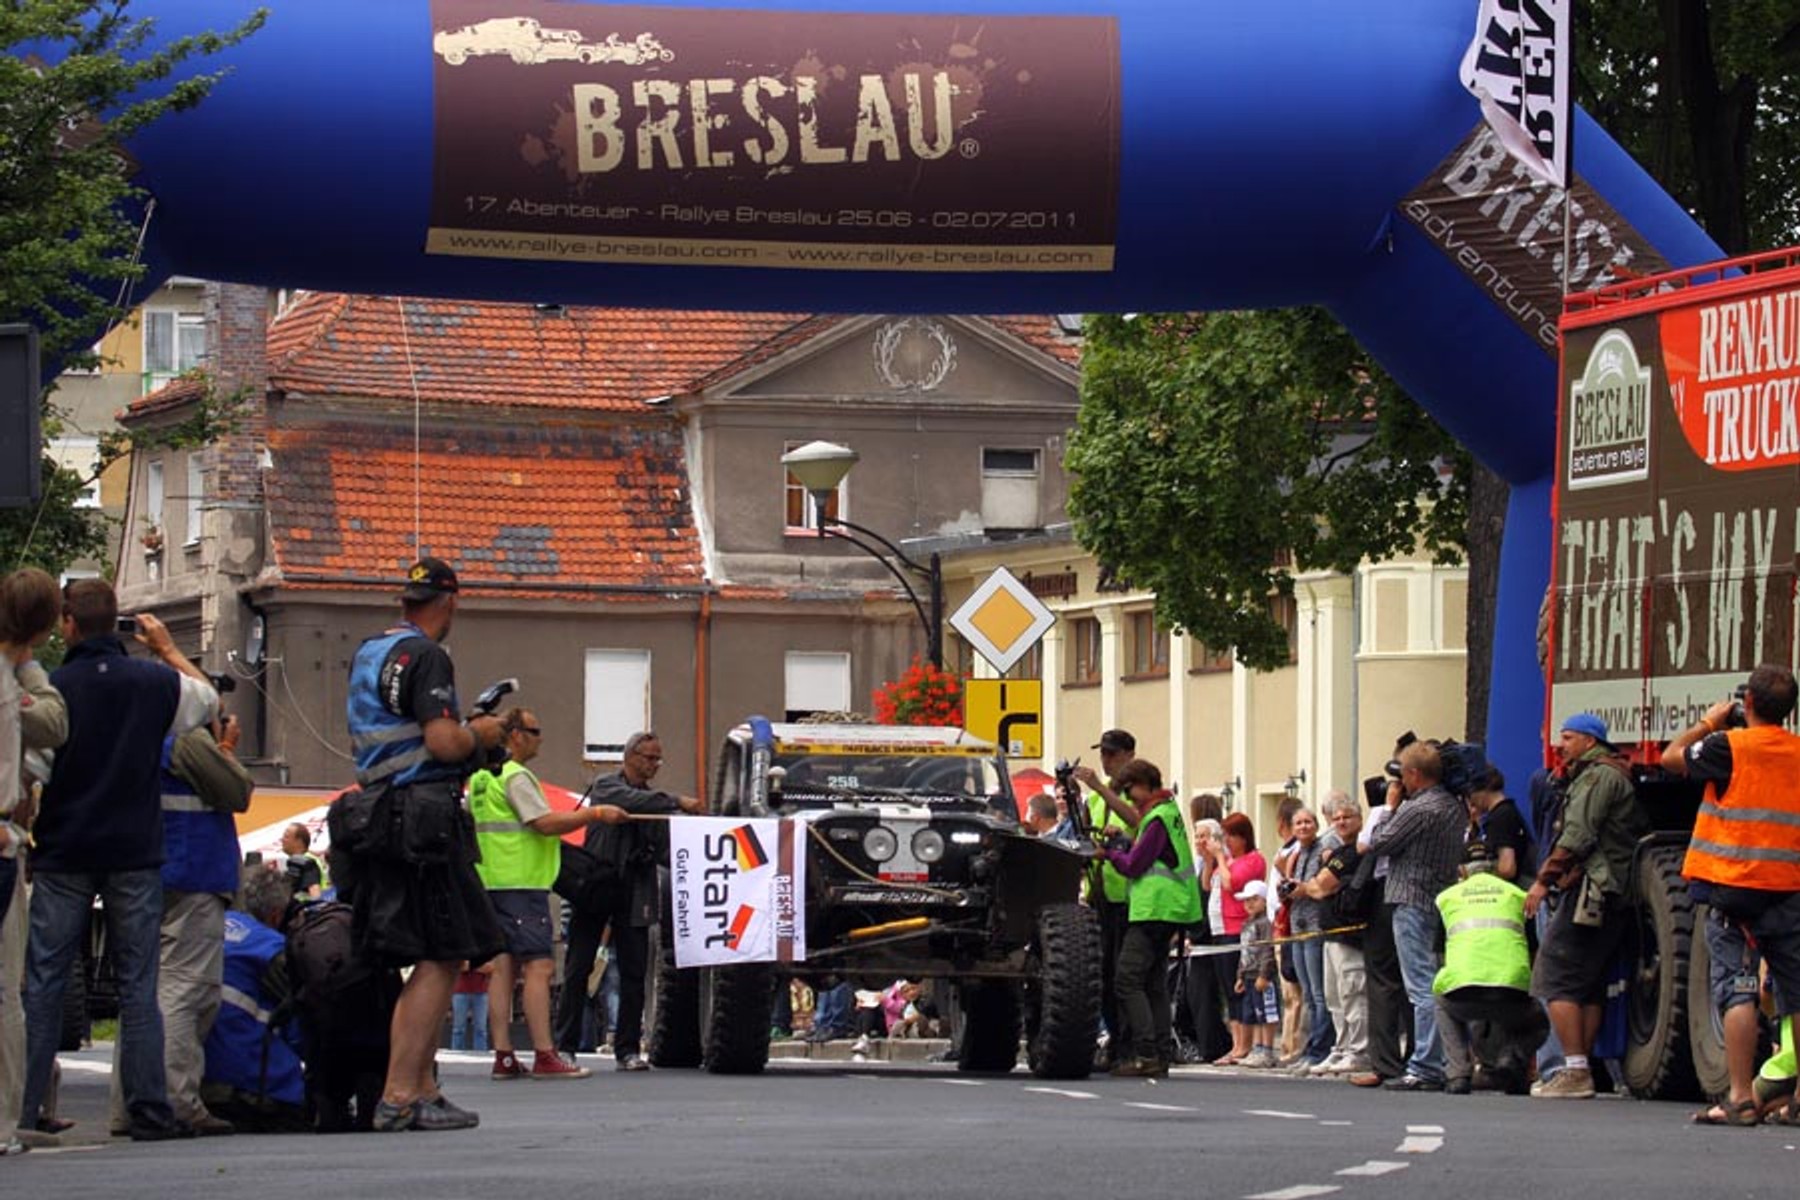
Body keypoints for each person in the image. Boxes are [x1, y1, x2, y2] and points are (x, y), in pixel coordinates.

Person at [16, 584, 217, 1144]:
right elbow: (208, 702)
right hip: (134, 849)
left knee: (45, 982)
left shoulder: (56, 689)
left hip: (65, 850)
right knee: (138, 983)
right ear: (118, 626)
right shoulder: (154, 683)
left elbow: (33, 768)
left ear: (68, 624)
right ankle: (148, 1109)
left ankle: (24, 1107)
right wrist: (167, 650)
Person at [339, 557, 506, 1132]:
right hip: (423, 820)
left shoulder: (371, 652)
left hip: (378, 814)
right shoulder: (428, 655)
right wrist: (479, 734)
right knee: (440, 954)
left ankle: (425, 1088)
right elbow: (442, 742)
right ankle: (400, 1093)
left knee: (433, 952)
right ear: (451, 601)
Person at [1662, 665, 1800, 1125]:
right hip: (1788, 888)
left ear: (1749, 703)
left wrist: (1709, 721)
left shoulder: (1728, 746)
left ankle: (1740, 1097)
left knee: (1738, 991)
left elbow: (1671, 758)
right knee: (1796, 996)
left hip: (1733, 890)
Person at [110, 712, 254, 1138]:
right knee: (184, 991)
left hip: (142, 874)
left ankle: (130, 1104)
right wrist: (224, 748)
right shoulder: (186, 740)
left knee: (140, 993)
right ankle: (173, 1101)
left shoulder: (133, 731)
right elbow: (237, 790)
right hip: (192, 872)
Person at [470, 706, 624, 1080]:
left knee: (503, 969)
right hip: (521, 883)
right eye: (535, 731)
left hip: (491, 881)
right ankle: (544, 1054)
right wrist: (595, 814)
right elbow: (544, 823)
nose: (541, 739)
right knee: (539, 967)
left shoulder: (480, 778)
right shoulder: (515, 775)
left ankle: (504, 1055)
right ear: (515, 735)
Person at [554, 730, 703, 1071]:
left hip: (636, 892)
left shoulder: (654, 802)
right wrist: (678, 801)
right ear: (630, 756)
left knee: (634, 973)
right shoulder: (606, 786)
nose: (655, 764)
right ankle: (565, 1046)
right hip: (595, 886)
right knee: (578, 968)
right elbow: (632, 801)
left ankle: (627, 1049)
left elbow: (664, 848)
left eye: (658, 759)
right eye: (650, 758)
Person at [1525, 712, 1644, 1101]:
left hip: (1593, 889)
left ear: (1590, 741)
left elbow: (1577, 834)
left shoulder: (1597, 778)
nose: (1561, 746)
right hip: (1610, 891)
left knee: (1553, 976)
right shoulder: (1607, 774)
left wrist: (1543, 881)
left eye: (1568, 737)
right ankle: (1581, 1066)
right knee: (1587, 983)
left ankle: (1575, 1070)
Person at [1365, 741, 1467, 1091]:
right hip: (1440, 897)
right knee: (1435, 979)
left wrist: (1389, 807)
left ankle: (1425, 1064)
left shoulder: (1418, 808)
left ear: (1413, 774)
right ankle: (1441, 1059)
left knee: (1420, 984)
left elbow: (1378, 842)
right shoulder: (1453, 806)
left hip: (1410, 897)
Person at [1098, 758, 1201, 1077]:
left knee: (1127, 980)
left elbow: (1133, 866)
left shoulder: (1157, 818)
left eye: (1130, 791)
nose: (1129, 800)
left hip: (1155, 909)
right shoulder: (1167, 813)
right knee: (1154, 984)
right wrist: (1125, 842)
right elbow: (1154, 854)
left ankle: (1146, 1053)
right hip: (1170, 908)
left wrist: (1109, 853)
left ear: (1144, 785)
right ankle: (1160, 1054)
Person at [1433, 842, 1547, 1096]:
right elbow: (1532, 950)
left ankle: (1458, 1074)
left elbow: (1441, 956)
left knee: (1441, 1001)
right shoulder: (1517, 894)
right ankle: (1512, 1055)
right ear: (1496, 867)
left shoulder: (1448, 897)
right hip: (1512, 993)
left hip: (1463, 994)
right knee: (1539, 1021)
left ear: (1461, 870)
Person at [199, 864, 306, 1132]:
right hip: (255, 1083)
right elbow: (300, 1022)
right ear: (276, 914)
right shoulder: (270, 947)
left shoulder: (205, 930)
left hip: (195, 1077)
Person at [1072, 728, 1141, 1068]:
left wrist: (1100, 787)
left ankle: (1130, 1043)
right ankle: (1114, 1039)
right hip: (1099, 894)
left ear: (1129, 755)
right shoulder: (1096, 800)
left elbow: (1135, 823)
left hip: (1128, 897)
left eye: (1112, 754)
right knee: (1100, 976)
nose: (1106, 760)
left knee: (1124, 977)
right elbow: (1084, 835)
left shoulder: (1137, 792)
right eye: (1103, 754)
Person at [1293, 794, 1372, 1076]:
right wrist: (1316, 885)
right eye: (1336, 818)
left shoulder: (1357, 852)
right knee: (1333, 997)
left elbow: (1319, 887)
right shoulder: (1338, 852)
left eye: (1347, 817)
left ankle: (1359, 1050)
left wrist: (1312, 886)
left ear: (1360, 819)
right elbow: (1318, 886)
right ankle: (1342, 1047)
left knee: (1353, 993)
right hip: (1329, 932)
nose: (1341, 822)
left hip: (1349, 936)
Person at [1200, 811, 1266, 1065]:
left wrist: (1219, 857)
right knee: (1227, 988)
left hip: (1236, 928)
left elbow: (1232, 884)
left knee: (1239, 987)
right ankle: (1236, 1043)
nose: (1226, 841)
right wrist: (1210, 860)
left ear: (1243, 837)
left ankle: (1244, 1045)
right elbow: (1207, 885)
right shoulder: (1226, 860)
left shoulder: (1252, 860)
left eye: (1230, 836)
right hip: (1219, 928)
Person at [1278, 806, 1335, 1070]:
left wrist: (1304, 889)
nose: (1303, 827)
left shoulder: (1324, 849)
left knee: (1319, 993)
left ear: (1316, 825)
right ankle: (1312, 1047)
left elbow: (1322, 886)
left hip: (1315, 926)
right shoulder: (1296, 854)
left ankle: (1320, 1049)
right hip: (1296, 926)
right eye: (1298, 823)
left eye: (1308, 822)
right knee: (1308, 993)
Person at [1233, 881, 1280, 1068]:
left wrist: (1264, 974)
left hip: (1261, 977)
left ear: (1265, 900)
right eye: (1246, 900)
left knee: (1266, 1014)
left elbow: (1268, 950)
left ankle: (1267, 1050)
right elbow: (1244, 952)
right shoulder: (1246, 924)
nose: (1249, 904)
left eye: (1254, 899)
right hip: (1249, 976)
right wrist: (1240, 975)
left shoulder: (1265, 924)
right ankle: (1257, 1047)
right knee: (1253, 1014)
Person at [1467, 767, 1533, 887]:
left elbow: (1507, 869)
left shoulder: (1499, 818)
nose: (1470, 801)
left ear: (1483, 790)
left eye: (1470, 795)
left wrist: (1476, 874)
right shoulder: (1507, 811)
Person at [281, 823, 329, 900]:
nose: (282, 840)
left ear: (298, 842)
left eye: (286, 837)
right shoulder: (310, 858)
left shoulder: (306, 863)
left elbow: (315, 892)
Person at [449, 964, 491, 1052]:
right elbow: (459, 966)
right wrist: (479, 966)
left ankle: (481, 1054)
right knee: (458, 1028)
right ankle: (456, 1053)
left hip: (481, 992)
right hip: (460, 991)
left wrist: (470, 966)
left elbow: (489, 968)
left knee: (481, 1029)